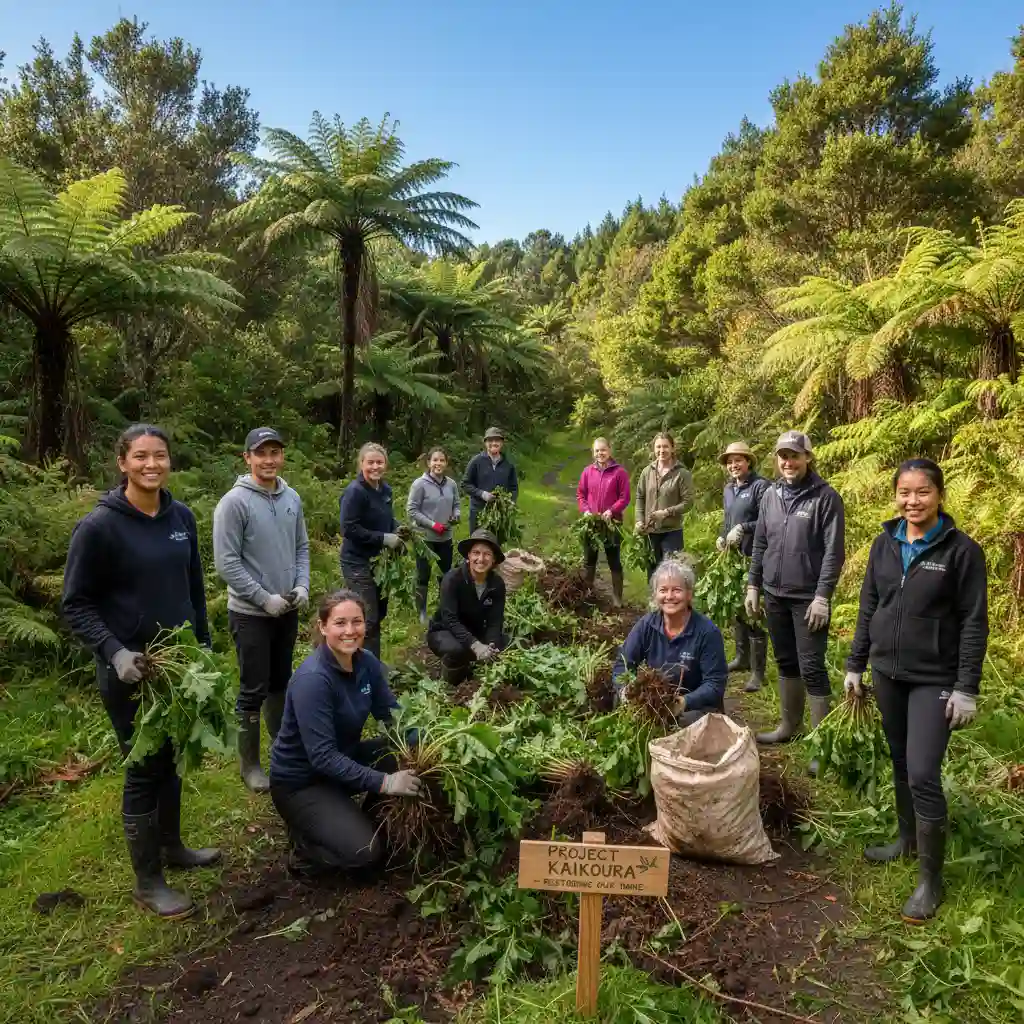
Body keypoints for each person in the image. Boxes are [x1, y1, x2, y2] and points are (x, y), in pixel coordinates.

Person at [62, 424, 219, 920]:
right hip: (132, 672)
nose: (152, 465)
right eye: (141, 457)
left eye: (161, 456)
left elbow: (193, 587)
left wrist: (205, 646)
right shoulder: (100, 528)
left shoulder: (182, 518)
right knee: (143, 765)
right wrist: (114, 652)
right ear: (122, 463)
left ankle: (173, 847)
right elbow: (77, 603)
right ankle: (148, 881)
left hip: (177, 667)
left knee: (172, 758)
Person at [845, 459, 987, 924]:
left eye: (922, 492)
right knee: (901, 758)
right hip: (888, 671)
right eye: (904, 492)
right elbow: (870, 605)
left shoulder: (962, 552)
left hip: (935, 678)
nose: (913, 501)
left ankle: (931, 880)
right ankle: (906, 841)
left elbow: (972, 623)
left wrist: (966, 688)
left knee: (924, 770)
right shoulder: (884, 545)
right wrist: (855, 664)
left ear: (939, 495)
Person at [269, 590, 422, 876]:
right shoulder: (313, 680)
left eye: (357, 622)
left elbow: (392, 716)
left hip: (343, 759)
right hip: (303, 783)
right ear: (323, 627)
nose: (350, 631)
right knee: (366, 855)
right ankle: (304, 848)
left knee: (400, 749)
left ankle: (356, 818)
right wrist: (384, 782)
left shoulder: (367, 664)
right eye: (340, 623)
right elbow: (322, 757)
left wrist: (425, 737)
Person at [213, 427, 310, 794]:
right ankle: (250, 765)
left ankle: (282, 749)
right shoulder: (234, 503)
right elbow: (226, 563)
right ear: (247, 458)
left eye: (275, 452)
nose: (269, 460)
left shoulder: (292, 498)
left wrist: (301, 585)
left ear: (282, 456)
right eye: (261, 453)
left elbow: (301, 547)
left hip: (286, 606)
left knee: (280, 682)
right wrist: (261, 597)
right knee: (253, 688)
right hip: (250, 612)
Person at [745, 431, 845, 757]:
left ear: (808, 458)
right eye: (783, 456)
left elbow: (833, 552)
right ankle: (790, 727)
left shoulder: (825, 498)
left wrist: (822, 596)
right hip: (774, 593)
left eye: (795, 456)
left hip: (807, 598)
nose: (788, 462)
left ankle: (821, 747)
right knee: (786, 661)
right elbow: (761, 543)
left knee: (812, 666)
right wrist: (753, 585)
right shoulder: (770, 496)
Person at [612, 559, 728, 725]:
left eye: (677, 590)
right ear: (655, 595)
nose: (669, 596)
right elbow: (623, 663)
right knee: (618, 703)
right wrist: (626, 693)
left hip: (695, 709)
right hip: (655, 703)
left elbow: (715, 684)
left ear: (689, 594)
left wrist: (683, 703)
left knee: (685, 724)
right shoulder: (647, 625)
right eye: (663, 590)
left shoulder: (707, 632)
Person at [715, 441, 770, 692]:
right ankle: (741, 658)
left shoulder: (761, 487)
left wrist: (744, 528)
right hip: (734, 557)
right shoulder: (728, 489)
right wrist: (722, 534)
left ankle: (758, 672)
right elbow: (728, 520)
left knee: (754, 610)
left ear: (749, 461)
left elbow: (769, 521)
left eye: (738, 460)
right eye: (729, 462)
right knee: (737, 606)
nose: (733, 465)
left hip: (754, 556)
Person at [339, 442, 400, 660]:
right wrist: (383, 538)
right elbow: (348, 528)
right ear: (361, 464)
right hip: (357, 562)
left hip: (380, 562)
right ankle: (364, 667)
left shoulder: (385, 489)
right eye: (370, 462)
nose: (375, 467)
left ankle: (370, 662)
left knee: (380, 612)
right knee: (368, 616)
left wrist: (396, 528)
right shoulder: (355, 492)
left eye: (379, 462)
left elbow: (386, 518)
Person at [427, 529, 510, 685]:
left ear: (493, 561)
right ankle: (450, 684)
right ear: (468, 557)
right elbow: (449, 619)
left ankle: (477, 672)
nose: (481, 559)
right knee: (457, 650)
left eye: (487, 554)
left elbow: (495, 620)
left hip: (475, 631)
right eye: (476, 553)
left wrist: (491, 645)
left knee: (505, 642)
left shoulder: (497, 584)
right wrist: (475, 645)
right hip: (445, 631)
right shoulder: (452, 579)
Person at [406, 447, 461, 625]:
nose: (438, 463)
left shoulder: (451, 484)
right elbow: (412, 510)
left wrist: (456, 515)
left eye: (441, 460)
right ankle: (422, 612)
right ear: (428, 463)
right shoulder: (419, 484)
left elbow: (457, 504)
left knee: (446, 574)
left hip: (446, 537)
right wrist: (432, 524)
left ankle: (445, 608)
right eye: (434, 460)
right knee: (423, 574)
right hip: (425, 538)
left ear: (446, 463)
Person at [576, 437, 631, 607]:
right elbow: (581, 494)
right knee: (589, 559)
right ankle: (588, 593)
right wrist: (585, 511)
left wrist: (612, 510)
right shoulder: (587, 472)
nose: (600, 453)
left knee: (613, 558)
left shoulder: (619, 472)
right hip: (592, 523)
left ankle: (617, 597)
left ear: (610, 451)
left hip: (611, 522)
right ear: (593, 453)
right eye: (597, 451)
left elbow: (625, 497)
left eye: (603, 450)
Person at [633, 433, 694, 580]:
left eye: (665, 446)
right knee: (652, 573)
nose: (662, 450)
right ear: (654, 449)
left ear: (672, 448)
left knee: (671, 573)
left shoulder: (682, 474)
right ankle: (654, 603)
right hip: (650, 531)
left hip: (672, 532)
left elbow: (688, 503)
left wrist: (666, 512)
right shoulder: (647, 472)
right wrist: (639, 520)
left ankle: (671, 603)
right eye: (658, 447)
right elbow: (640, 497)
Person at [462, 426, 518, 534]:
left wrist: (511, 501)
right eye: (490, 440)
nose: (494, 443)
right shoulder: (476, 461)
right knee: (478, 543)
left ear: (502, 443)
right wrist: (482, 494)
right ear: (485, 443)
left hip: (500, 513)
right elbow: (465, 484)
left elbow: (514, 487)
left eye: (497, 440)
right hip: (479, 512)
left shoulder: (508, 464)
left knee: (496, 545)